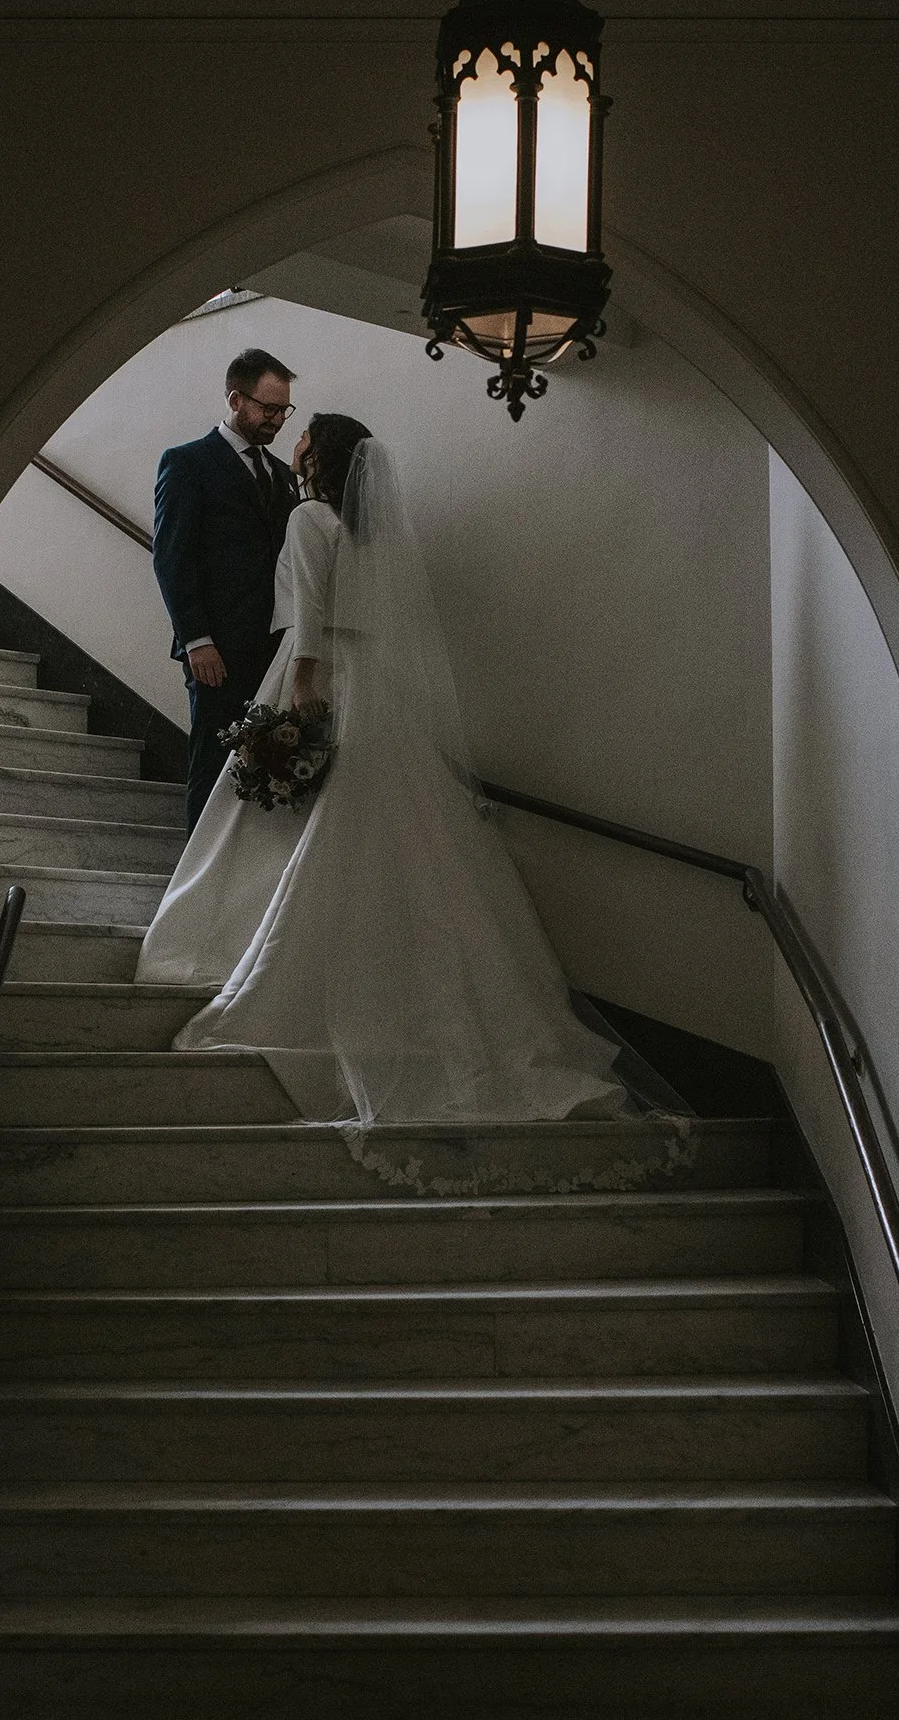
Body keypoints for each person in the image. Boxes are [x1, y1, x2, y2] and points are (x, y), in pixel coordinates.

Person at [135, 423, 682, 1186]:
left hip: (316, 674)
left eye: (302, 449)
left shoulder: (306, 518)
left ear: (314, 461)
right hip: (381, 694)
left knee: (298, 819)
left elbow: (313, 613)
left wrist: (303, 700)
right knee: (393, 839)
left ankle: (254, 958)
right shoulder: (377, 533)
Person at [153, 347, 301, 831]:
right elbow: (173, 557)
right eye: (268, 408)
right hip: (215, 650)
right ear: (236, 400)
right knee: (211, 767)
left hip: (273, 648)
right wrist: (197, 640)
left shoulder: (283, 476)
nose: (277, 420)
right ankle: (192, 889)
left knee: (264, 769)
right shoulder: (187, 463)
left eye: (284, 410)